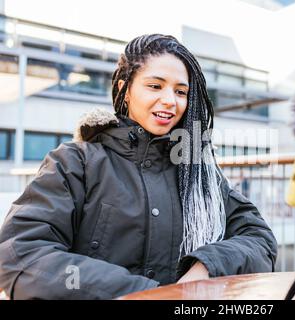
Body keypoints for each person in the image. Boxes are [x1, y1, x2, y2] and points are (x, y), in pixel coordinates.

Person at [0, 34, 277, 299]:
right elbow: (22, 255)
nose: (170, 100)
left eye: (181, 91)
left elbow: (259, 239)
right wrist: (148, 294)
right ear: (125, 89)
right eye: (155, 86)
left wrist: (206, 266)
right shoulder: (75, 162)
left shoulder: (200, 174)